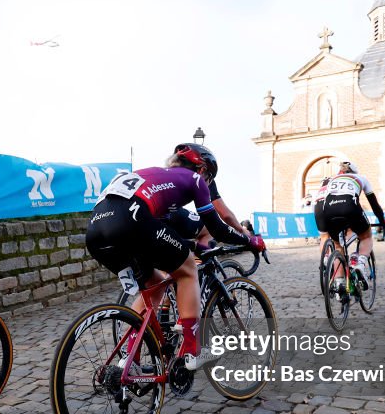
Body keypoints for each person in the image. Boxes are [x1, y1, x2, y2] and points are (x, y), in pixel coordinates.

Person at [86, 143, 265, 370]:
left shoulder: (155, 174)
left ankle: (130, 359)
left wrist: (186, 244)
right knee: (188, 270)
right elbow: (217, 229)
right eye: (209, 176)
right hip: (132, 221)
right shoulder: (195, 179)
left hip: (95, 231)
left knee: (155, 285)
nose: (208, 182)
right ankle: (193, 352)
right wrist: (250, 241)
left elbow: (159, 224)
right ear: (201, 169)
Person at [319, 161, 385, 285]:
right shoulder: (361, 178)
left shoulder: (332, 179)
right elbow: (374, 205)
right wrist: (382, 220)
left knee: (338, 246)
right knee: (366, 236)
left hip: (328, 211)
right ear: (355, 172)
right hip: (349, 208)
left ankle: (339, 284)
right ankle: (360, 263)